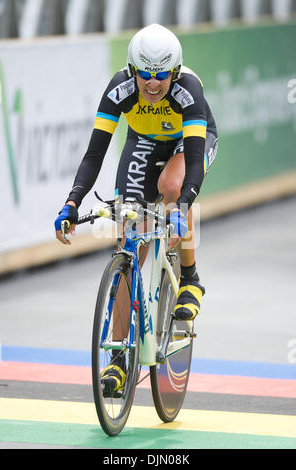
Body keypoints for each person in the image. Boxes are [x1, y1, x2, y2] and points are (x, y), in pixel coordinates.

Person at [55, 24, 218, 394]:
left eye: (162, 74)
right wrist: (71, 202)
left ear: (174, 72)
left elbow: (193, 163)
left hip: (188, 142)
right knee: (130, 240)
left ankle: (190, 280)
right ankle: (118, 361)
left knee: (171, 188)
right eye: (145, 74)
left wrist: (182, 208)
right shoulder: (119, 90)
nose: (154, 83)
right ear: (132, 70)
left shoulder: (188, 90)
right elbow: (94, 153)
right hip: (143, 142)